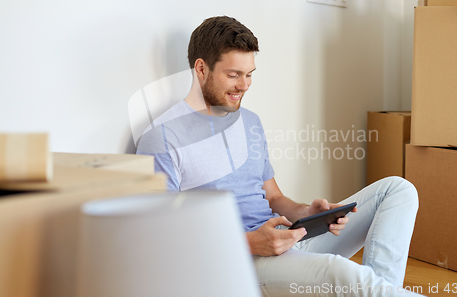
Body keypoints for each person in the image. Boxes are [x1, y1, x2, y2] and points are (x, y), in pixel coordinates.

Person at [136, 16, 423, 297]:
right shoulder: (162, 138)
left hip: (288, 238)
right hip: (243, 261)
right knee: (345, 274)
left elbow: (273, 198)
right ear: (201, 68)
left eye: (249, 75)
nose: (244, 85)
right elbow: (164, 236)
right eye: (233, 75)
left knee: (399, 190)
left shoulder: (249, 122)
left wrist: (309, 213)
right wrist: (250, 242)